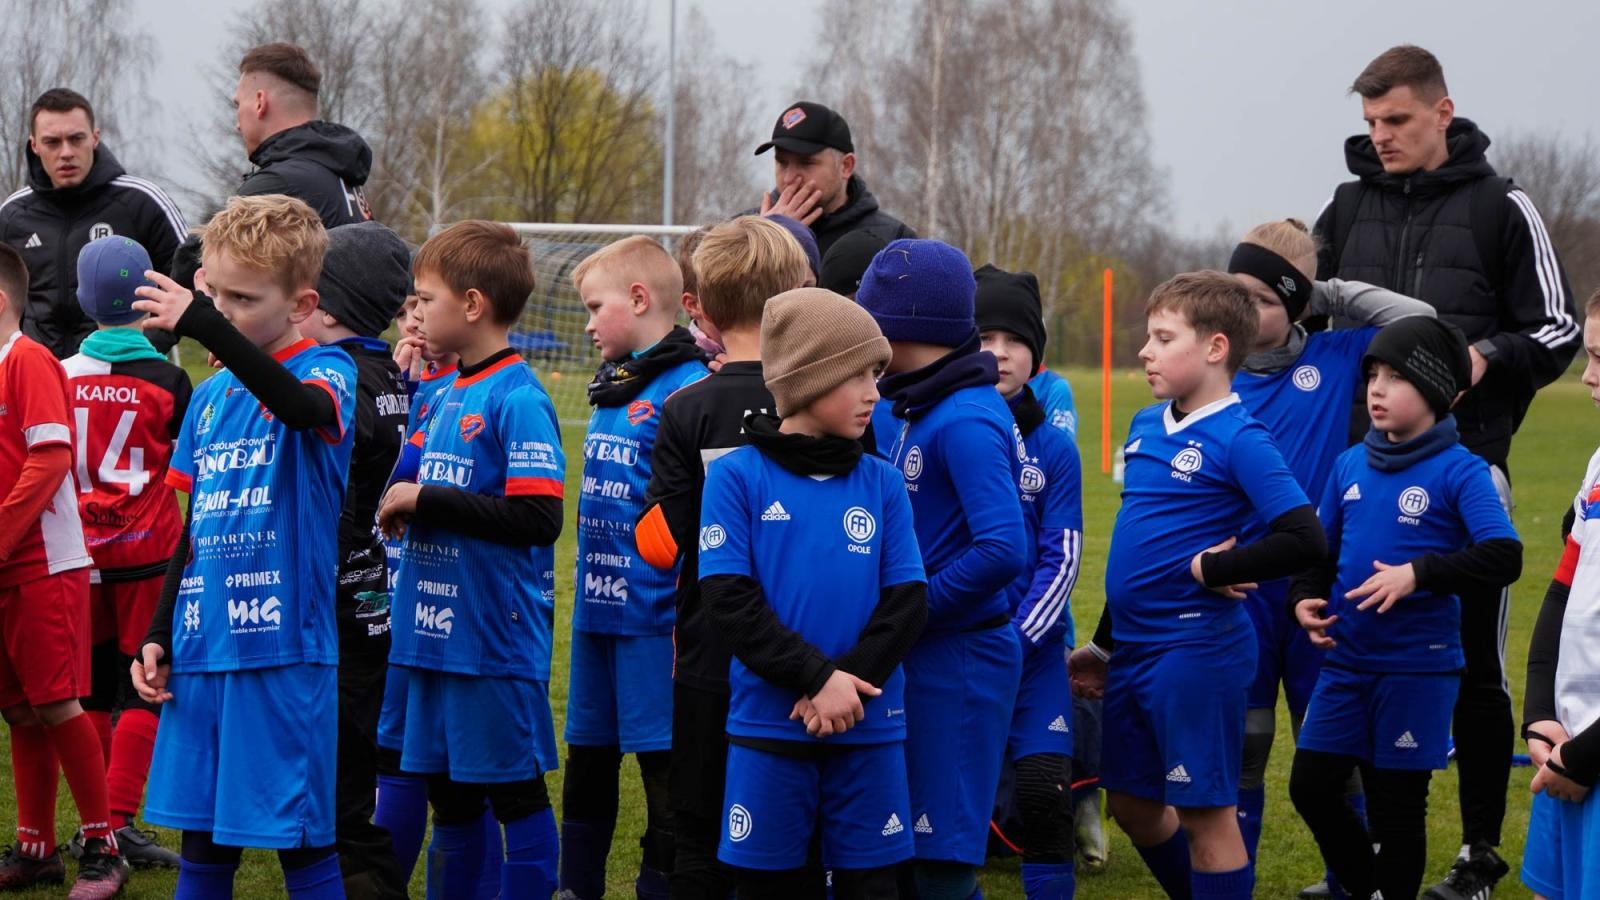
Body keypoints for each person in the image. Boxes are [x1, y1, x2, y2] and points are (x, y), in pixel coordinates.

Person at [1313, 45, 1580, 897]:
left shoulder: (1504, 205)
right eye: (1370, 122)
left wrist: (1482, 357)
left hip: (1469, 470)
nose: (1381, 136)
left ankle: (1477, 854)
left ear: (1442, 111)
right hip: (1365, 472)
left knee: (1474, 667)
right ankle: (1365, 855)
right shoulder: (1346, 206)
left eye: (1396, 119)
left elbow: (1560, 328)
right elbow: (1307, 310)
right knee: (1361, 653)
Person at [1069, 271, 1325, 899]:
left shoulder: (1241, 436)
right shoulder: (1145, 424)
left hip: (1196, 651)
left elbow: (1305, 538)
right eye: (1148, 337)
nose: (1145, 351)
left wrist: (1217, 569)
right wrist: (1104, 646)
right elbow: (1140, 549)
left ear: (1215, 347)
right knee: (1131, 804)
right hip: (1134, 650)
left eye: (1163, 338)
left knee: (1206, 815)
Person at [129, 194, 355, 898]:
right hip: (203, 649)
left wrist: (204, 324)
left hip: (283, 653)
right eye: (215, 295)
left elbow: (302, 409)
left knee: (301, 843)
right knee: (202, 844)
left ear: (301, 304)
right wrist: (159, 632)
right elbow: (193, 528)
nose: (223, 312)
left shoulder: (329, 371)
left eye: (244, 299)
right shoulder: (210, 397)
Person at [699, 286, 927, 899]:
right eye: (858, 376)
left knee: (872, 888)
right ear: (807, 380)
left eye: (877, 375)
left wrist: (846, 686)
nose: (874, 393)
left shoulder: (883, 483)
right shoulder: (735, 477)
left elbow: (907, 602)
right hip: (770, 725)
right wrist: (815, 678)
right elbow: (729, 600)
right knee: (767, 888)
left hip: (869, 723)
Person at [1223, 219, 1434, 876]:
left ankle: (1352, 882)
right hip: (1242, 589)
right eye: (1236, 293)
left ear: (1297, 303)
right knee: (1245, 746)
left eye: (1264, 298)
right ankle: (1233, 881)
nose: (1244, 310)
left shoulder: (1337, 355)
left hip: (1316, 585)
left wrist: (1328, 291)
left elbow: (1421, 322)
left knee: (1333, 751)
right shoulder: (1213, 369)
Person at [1289, 317, 1522, 900]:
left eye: (1396, 377)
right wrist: (1303, 597)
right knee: (1310, 787)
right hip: (1346, 663)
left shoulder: (1461, 470)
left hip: (1417, 669)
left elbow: (1504, 555)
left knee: (1398, 811)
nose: (1377, 388)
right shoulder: (1349, 464)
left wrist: (1419, 573)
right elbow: (1322, 552)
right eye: (1373, 374)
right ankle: (1371, 887)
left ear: (1438, 390)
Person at [377, 220, 565, 898]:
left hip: (489, 642)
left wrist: (427, 500)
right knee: (449, 800)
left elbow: (540, 518)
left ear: (474, 305)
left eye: (426, 299)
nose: (416, 311)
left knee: (515, 795)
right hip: (431, 637)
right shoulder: (445, 390)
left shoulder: (518, 397)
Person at [633, 216, 813, 899]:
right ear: (797, 296)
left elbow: (660, 547)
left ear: (700, 307)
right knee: (796, 827)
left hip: (711, 653)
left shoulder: (686, 408)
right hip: (807, 648)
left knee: (700, 829)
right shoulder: (821, 399)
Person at [861, 238, 1027, 900]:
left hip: (960, 659)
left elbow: (1003, 548)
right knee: (905, 852)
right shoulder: (920, 403)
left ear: (906, 325)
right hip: (923, 652)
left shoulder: (964, 418)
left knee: (941, 864)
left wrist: (912, 610)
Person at [560, 236, 707, 899]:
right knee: (587, 756)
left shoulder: (689, 387)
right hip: (597, 613)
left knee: (662, 765)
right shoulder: (613, 386)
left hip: (654, 618)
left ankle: (660, 886)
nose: (589, 324)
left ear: (641, 299)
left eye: (596, 307)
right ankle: (575, 886)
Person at [60, 237, 191, 872]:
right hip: (150, 554)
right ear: (146, 295)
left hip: (77, 555)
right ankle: (116, 821)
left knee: (87, 691)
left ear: (82, 300)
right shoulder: (171, 378)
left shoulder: (57, 372)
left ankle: (96, 829)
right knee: (146, 681)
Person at [0, 242, 127, 897]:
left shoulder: (28, 360)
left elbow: (49, 458)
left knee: (55, 701)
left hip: (43, 563)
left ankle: (104, 846)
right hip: (8, 565)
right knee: (21, 709)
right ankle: (36, 850)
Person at [298, 221, 413, 898]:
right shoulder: (386, 371)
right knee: (343, 775)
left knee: (339, 795)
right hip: (366, 592)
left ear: (329, 305)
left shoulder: (346, 380)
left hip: (336, 600)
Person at [975, 264, 1083, 899]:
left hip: (1031, 654)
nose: (999, 353)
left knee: (1045, 794)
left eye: (1014, 340)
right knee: (940, 802)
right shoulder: (937, 429)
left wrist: (1017, 640)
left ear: (1035, 352)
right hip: (957, 651)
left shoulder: (1054, 448)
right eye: (984, 338)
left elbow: (1062, 557)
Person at [0, 88, 186, 358]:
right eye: (52, 142)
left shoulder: (142, 202)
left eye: (76, 139)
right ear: (35, 145)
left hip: (125, 371)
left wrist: (139, 352)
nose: (66, 152)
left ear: (95, 138)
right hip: (38, 374)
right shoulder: (12, 215)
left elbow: (188, 283)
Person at [1521, 289, 1600, 900]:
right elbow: (1561, 593)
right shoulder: (1597, 465)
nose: (1589, 376)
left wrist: (1586, 757)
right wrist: (1540, 713)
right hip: (1568, 746)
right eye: (1589, 356)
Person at [233, 43, 373, 228]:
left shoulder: (275, 187)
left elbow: (208, 246)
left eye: (238, 105)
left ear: (260, 103)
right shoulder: (344, 177)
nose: (237, 125)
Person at [753, 101, 915, 257]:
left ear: (846, 166)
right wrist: (768, 241)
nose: (789, 178)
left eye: (806, 163)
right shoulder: (744, 233)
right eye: (782, 163)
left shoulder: (894, 241)